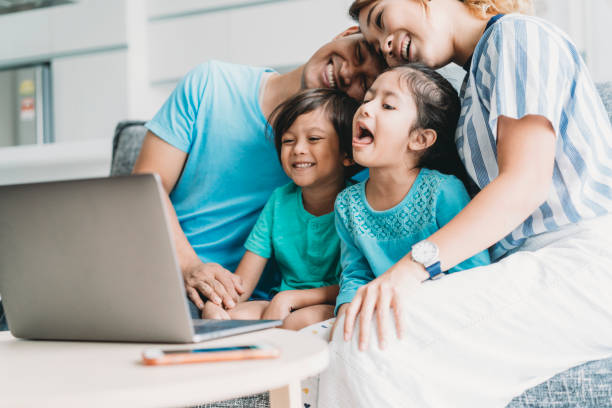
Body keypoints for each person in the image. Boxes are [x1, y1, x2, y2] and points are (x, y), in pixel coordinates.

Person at [318, 1, 612, 407]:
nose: (385, 43)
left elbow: (524, 184)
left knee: (368, 344)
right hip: (531, 262)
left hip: (585, 260)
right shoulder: (472, 85)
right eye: (375, 44)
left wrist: (409, 271)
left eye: (382, 19)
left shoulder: (516, 36)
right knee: (329, 341)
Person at [132, 27, 385, 318]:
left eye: (365, 82)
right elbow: (143, 190)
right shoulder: (211, 83)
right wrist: (189, 266)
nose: (348, 72)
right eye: (357, 53)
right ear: (346, 33)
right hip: (166, 273)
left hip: (249, 300)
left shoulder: (360, 162)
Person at [332, 64, 491, 345]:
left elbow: (472, 273)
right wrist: (347, 311)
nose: (366, 108)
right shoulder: (347, 204)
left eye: (388, 105)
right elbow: (355, 271)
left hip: (438, 319)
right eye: (367, 99)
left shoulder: (442, 191)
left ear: (420, 138)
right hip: (379, 315)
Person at [204, 88, 360, 330]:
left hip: (334, 302)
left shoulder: (358, 203)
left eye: (314, 139)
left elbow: (357, 281)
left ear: (347, 154)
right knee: (220, 317)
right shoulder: (279, 201)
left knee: (299, 320)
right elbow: (244, 280)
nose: (298, 149)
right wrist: (221, 302)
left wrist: (291, 298)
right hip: (279, 302)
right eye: (288, 140)